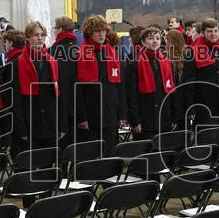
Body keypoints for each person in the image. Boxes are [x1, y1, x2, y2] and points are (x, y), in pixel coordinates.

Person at [74, 15, 127, 155]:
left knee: (110, 154)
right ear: (89, 32)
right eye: (98, 30)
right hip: (90, 115)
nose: (102, 34)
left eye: (104, 30)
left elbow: (120, 86)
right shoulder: (80, 54)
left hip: (110, 114)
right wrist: (81, 116)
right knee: (90, 157)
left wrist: (122, 113)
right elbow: (77, 90)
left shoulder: (112, 53)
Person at [11, 21, 65, 154]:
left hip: (50, 125)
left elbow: (60, 96)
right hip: (30, 125)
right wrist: (21, 129)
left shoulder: (52, 62)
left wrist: (62, 125)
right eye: (36, 35)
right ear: (28, 38)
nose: (40, 38)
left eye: (42, 35)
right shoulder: (17, 64)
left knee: (48, 168)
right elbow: (15, 100)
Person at [182, 17, 219, 129]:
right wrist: (190, 108)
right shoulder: (192, 52)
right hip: (205, 107)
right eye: (209, 31)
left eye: (216, 31)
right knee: (207, 142)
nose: (213, 34)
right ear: (202, 33)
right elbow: (188, 83)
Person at [125, 26, 177, 140]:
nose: (155, 41)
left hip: (164, 119)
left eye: (157, 38)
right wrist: (134, 120)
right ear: (143, 42)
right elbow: (131, 94)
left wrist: (173, 117)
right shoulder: (134, 63)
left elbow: (172, 92)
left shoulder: (167, 62)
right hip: (145, 121)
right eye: (150, 38)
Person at [51, 16, 79, 148]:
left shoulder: (51, 51)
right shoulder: (80, 50)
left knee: (61, 148)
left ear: (60, 30)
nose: (54, 31)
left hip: (59, 103)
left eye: (55, 29)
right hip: (79, 104)